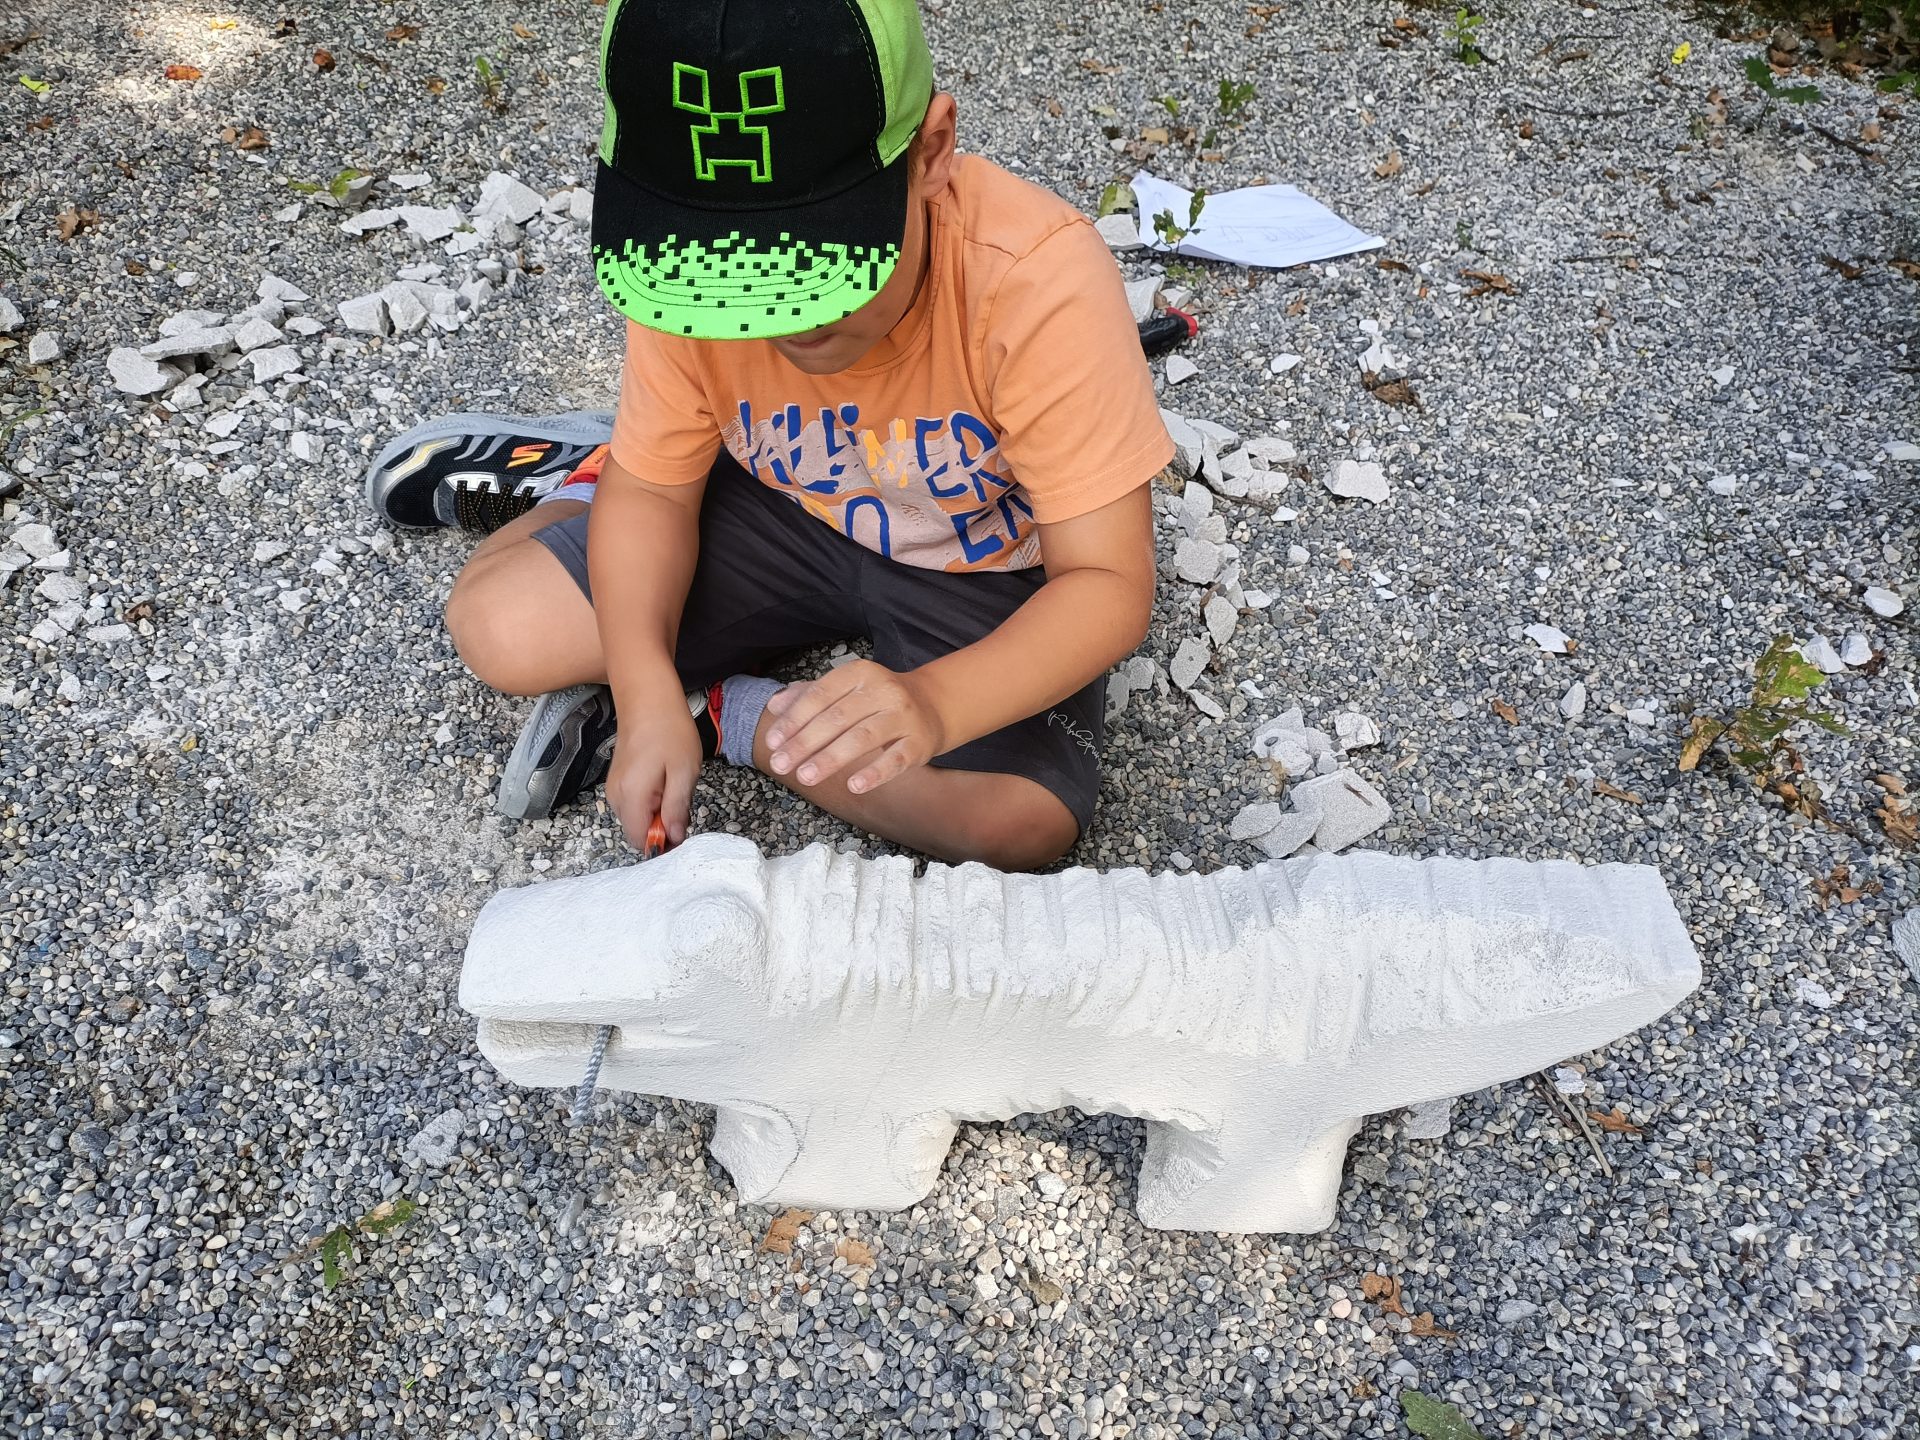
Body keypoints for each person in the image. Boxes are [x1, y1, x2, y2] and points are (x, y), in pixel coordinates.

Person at [363, 0, 1171, 871]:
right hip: (781, 503)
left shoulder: (1035, 279)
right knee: (501, 627)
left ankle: (722, 709)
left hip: (982, 566)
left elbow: (1107, 580)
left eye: (811, 267)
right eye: (719, 277)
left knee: (1017, 828)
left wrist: (933, 704)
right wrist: (641, 699)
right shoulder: (675, 265)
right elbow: (657, 497)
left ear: (931, 152)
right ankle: (602, 460)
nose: (771, 324)